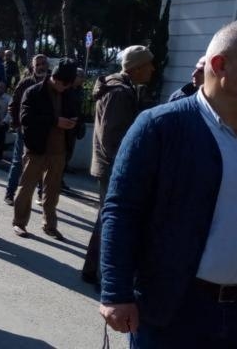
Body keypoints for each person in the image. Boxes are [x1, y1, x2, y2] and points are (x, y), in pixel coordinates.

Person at [99, 22, 237, 347]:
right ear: (220, 66)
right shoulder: (160, 126)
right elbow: (121, 211)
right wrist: (116, 292)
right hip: (172, 309)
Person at [82, 45, 154, 283]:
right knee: (112, 222)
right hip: (112, 166)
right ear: (136, 68)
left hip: (109, 165)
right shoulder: (120, 93)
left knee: (105, 218)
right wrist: (124, 167)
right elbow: (111, 137)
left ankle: (92, 270)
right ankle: (104, 278)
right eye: (148, 64)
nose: (153, 69)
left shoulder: (123, 88)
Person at [11, 58, 79, 240]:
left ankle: (49, 225)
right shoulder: (34, 92)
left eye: (68, 85)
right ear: (55, 78)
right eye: (64, 84)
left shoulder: (69, 93)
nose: (65, 88)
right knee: (26, 188)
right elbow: (26, 118)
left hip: (59, 150)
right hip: (36, 148)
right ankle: (19, 223)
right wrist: (55, 121)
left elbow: (76, 113)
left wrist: (74, 125)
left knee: (52, 190)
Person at [3, 54, 50, 205]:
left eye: (44, 63)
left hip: (44, 131)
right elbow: (13, 104)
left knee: (44, 163)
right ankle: (10, 194)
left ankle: (42, 195)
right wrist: (18, 124)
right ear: (33, 67)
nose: (41, 66)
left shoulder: (51, 83)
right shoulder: (25, 83)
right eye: (38, 64)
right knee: (18, 162)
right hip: (25, 130)